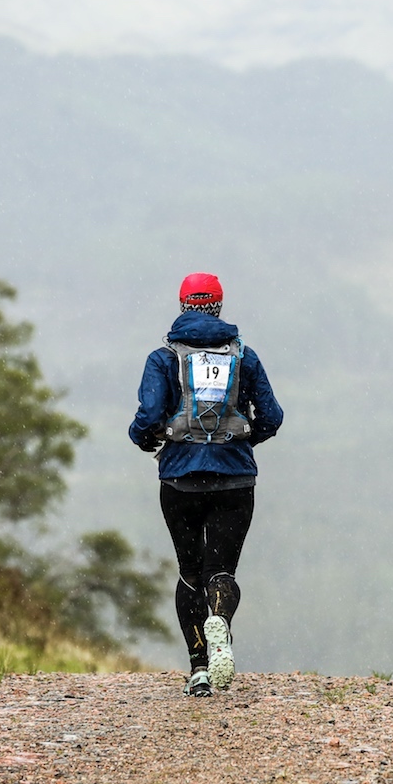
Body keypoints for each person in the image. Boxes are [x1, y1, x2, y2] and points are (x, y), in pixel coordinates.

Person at [129, 272, 284, 697]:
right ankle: (219, 619)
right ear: (218, 306)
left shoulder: (163, 358)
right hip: (235, 480)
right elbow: (271, 416)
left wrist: (145, 438)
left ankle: (198, 668)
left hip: (179, 481)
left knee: (189, 572)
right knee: (221, 571)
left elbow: (149, 416)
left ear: (183, 305)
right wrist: (241, 442)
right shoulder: (244, 357)